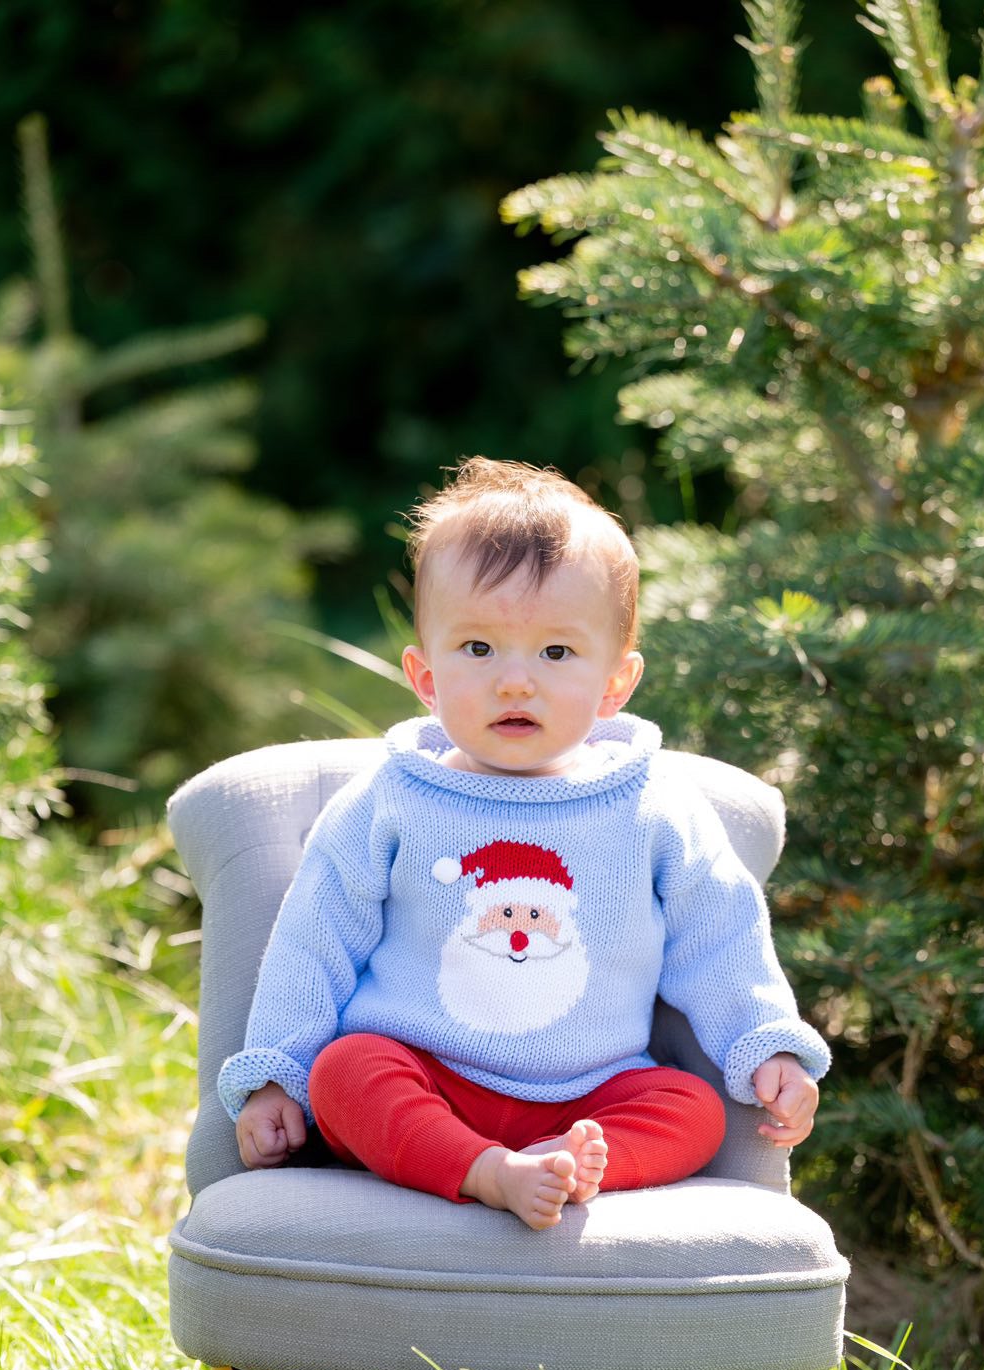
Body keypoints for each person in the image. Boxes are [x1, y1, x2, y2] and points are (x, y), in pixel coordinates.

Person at [219, 457, 830, 1229]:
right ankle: (485, 1170)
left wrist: (767, 1045)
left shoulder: (656, 805)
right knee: (347, 1070)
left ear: (616, 682)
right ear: (426, 676)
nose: (515, 681)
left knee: (693, 1109)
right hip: (428, 1078)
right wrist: (277, 1075)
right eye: (477, 649)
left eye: (556, 653)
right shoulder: (392, 798)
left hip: (593, 1091)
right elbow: (313, 943)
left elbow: (721, 938)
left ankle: (563, 1163)